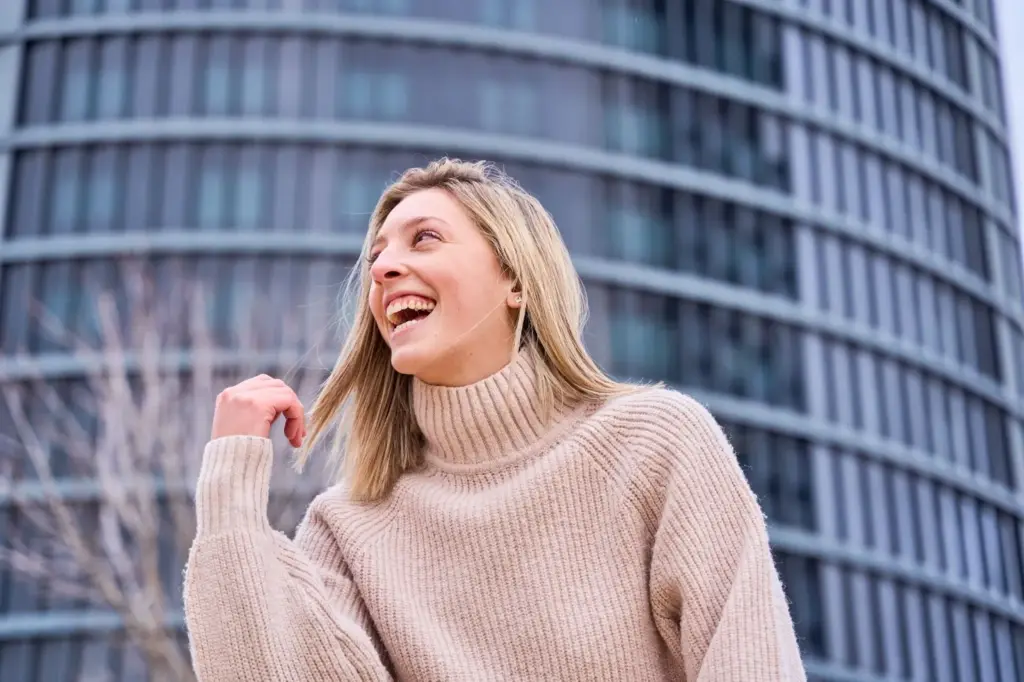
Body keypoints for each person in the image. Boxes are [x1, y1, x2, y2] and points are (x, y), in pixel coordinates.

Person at [183, 158, 806, 681]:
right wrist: (230, 493)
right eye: (377, 254)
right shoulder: (348, 527)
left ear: (515, 280)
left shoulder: (655, 444)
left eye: (424, 238)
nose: (382, 268)